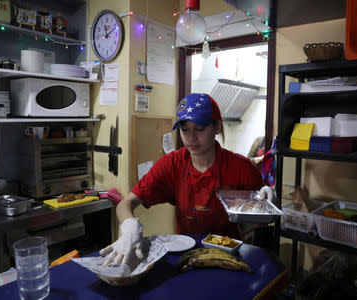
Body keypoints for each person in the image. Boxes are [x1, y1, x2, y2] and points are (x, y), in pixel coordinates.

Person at [100, 93, 274, 267]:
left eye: (199, 128)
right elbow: (126, 203)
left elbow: (269, 213)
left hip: (230, 255)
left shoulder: (240, 167)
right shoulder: (172, 165)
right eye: (184, 129)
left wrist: (270, 196)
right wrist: (129, 227)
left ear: (217, 127)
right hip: (185, 254)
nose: (191, 138)